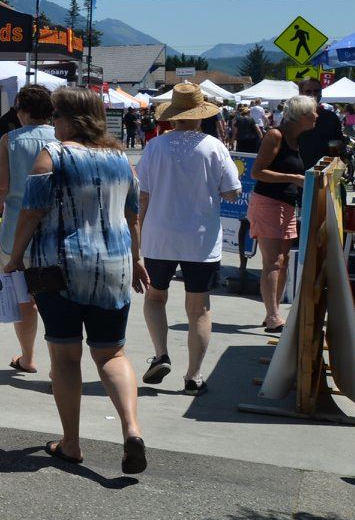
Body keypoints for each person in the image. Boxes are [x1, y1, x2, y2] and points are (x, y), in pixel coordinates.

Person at [1, 86, 149, 475]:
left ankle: (71, 443)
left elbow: (31, 213)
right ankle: (132, 428)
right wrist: (137, 258)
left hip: (59, 267)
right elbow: (133, 215)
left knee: (66, 356)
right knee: (112, 354)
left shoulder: (53, 156)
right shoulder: (121, 159)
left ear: (63, 119)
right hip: (115, 265)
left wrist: (14, 259)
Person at [136, 84, 242, 394]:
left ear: (172, 117)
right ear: (200, 116)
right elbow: (231, 191)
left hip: (159, 235)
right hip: (200, 238)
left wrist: (138, 235)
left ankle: (161, 353)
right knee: (199, 309)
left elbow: (142, 195)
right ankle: (193, 376)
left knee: (156, 297)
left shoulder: (155, 147)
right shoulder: (214, 147)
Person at [0, 84, 56, 374]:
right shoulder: (62, 139)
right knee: (53, 300)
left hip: (15, 230)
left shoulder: (10, 140)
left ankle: (28, 357)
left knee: (23, 298)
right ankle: (58, 364)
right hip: (53, 230)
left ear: (21, 111)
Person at [247, 94, 318, 333]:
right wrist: (293, 178)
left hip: (286, 205)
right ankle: (273, 316)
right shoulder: (275, 135)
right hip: (269, 203)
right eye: (313, 112)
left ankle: (272, 311)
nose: (316, 116)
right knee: (274, 262)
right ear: (301, 116)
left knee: (283, 262)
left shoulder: (295, 139)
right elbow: (257, 172)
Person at [293, 79, 344, 167]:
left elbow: (339, 140)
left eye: (316, 91)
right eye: (308, 92)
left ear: (321, 93)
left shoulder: (331, 117)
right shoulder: (293, 117)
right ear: (301, 94)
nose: (313, 95)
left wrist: (339, 146)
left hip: (326, 170)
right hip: (299, 171)